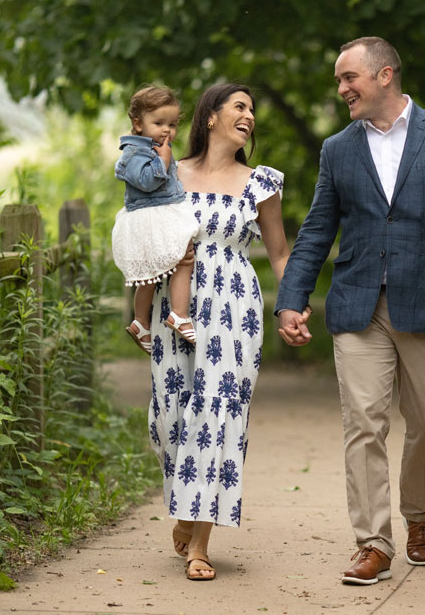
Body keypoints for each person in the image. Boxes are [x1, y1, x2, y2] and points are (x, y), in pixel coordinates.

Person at [275, 37, 425, 585]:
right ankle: (374, 542)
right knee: (363, 423)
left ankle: (419, 514)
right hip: (357, 303)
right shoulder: (337, 148)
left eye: (348, 77)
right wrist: (291, 300)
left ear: (384, 75)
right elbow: (315, 232)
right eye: (338, 80)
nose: (341, 89)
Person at [147, 83, 308, 581]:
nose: (250, 116)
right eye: (240, 107)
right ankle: (185, 505)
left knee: (219, 415)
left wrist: (293, 306)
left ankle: (200, 542)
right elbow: (141, 232)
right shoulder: (169, 173)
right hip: (172, 305)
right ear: (211, 116)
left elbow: (280, 253)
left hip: (235, 307)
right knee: (168, 414)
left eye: (253, 109)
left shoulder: (263, 183)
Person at [111, 85, 198, 354]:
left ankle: (141, 322)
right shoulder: (135, 153)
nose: (166, 130)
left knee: (150, 275)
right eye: (158, 123)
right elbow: (147, 182)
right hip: (150, 217)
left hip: (157, 214)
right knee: (184, 258)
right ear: (138, 124)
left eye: (171, 124)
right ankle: (179, 314)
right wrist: (163, 161)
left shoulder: (154, 147)